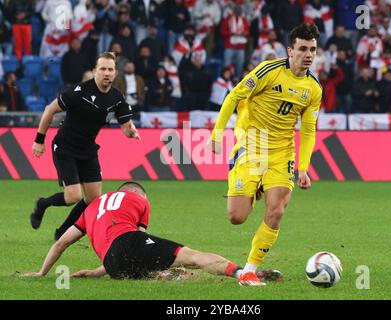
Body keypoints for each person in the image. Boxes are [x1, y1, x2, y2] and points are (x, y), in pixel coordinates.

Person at [208, 23, 322, 286]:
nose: (308, 55)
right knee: (237, 217)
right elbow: (234, 96)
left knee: (277, 211)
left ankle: (249, 270)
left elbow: (308, 129)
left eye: (313, 50)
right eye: (303, 49)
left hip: (283, 152)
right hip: (251, 146)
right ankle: (255, 187)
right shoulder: (268, 71)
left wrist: (303, 167)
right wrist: (216, 134)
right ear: (290, 50)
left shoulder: (313, 88)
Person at [23, 181, 283, 284]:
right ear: (136, 193)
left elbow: (61, 244)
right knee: (192, 256)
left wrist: (41, 272)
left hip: (113, 266)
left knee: (159, 269)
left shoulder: (89, 209)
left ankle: (166, 275)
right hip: (128, 244)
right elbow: (132, 240)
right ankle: (244, 273)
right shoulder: (139, 201)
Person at [30, 52, 140, 241]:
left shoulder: (117, 98)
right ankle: (42, 204)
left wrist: (131, 132)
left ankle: (62, 232)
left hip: (87, 150)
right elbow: (50, 110)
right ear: (94, 71)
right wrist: (39, 140)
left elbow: (126, 126)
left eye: (110, 69)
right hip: (65, 147)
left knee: (93, 199)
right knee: (73, 196)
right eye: (103, 69)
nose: (106, 73)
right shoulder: (79, 92)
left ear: (115, 73)